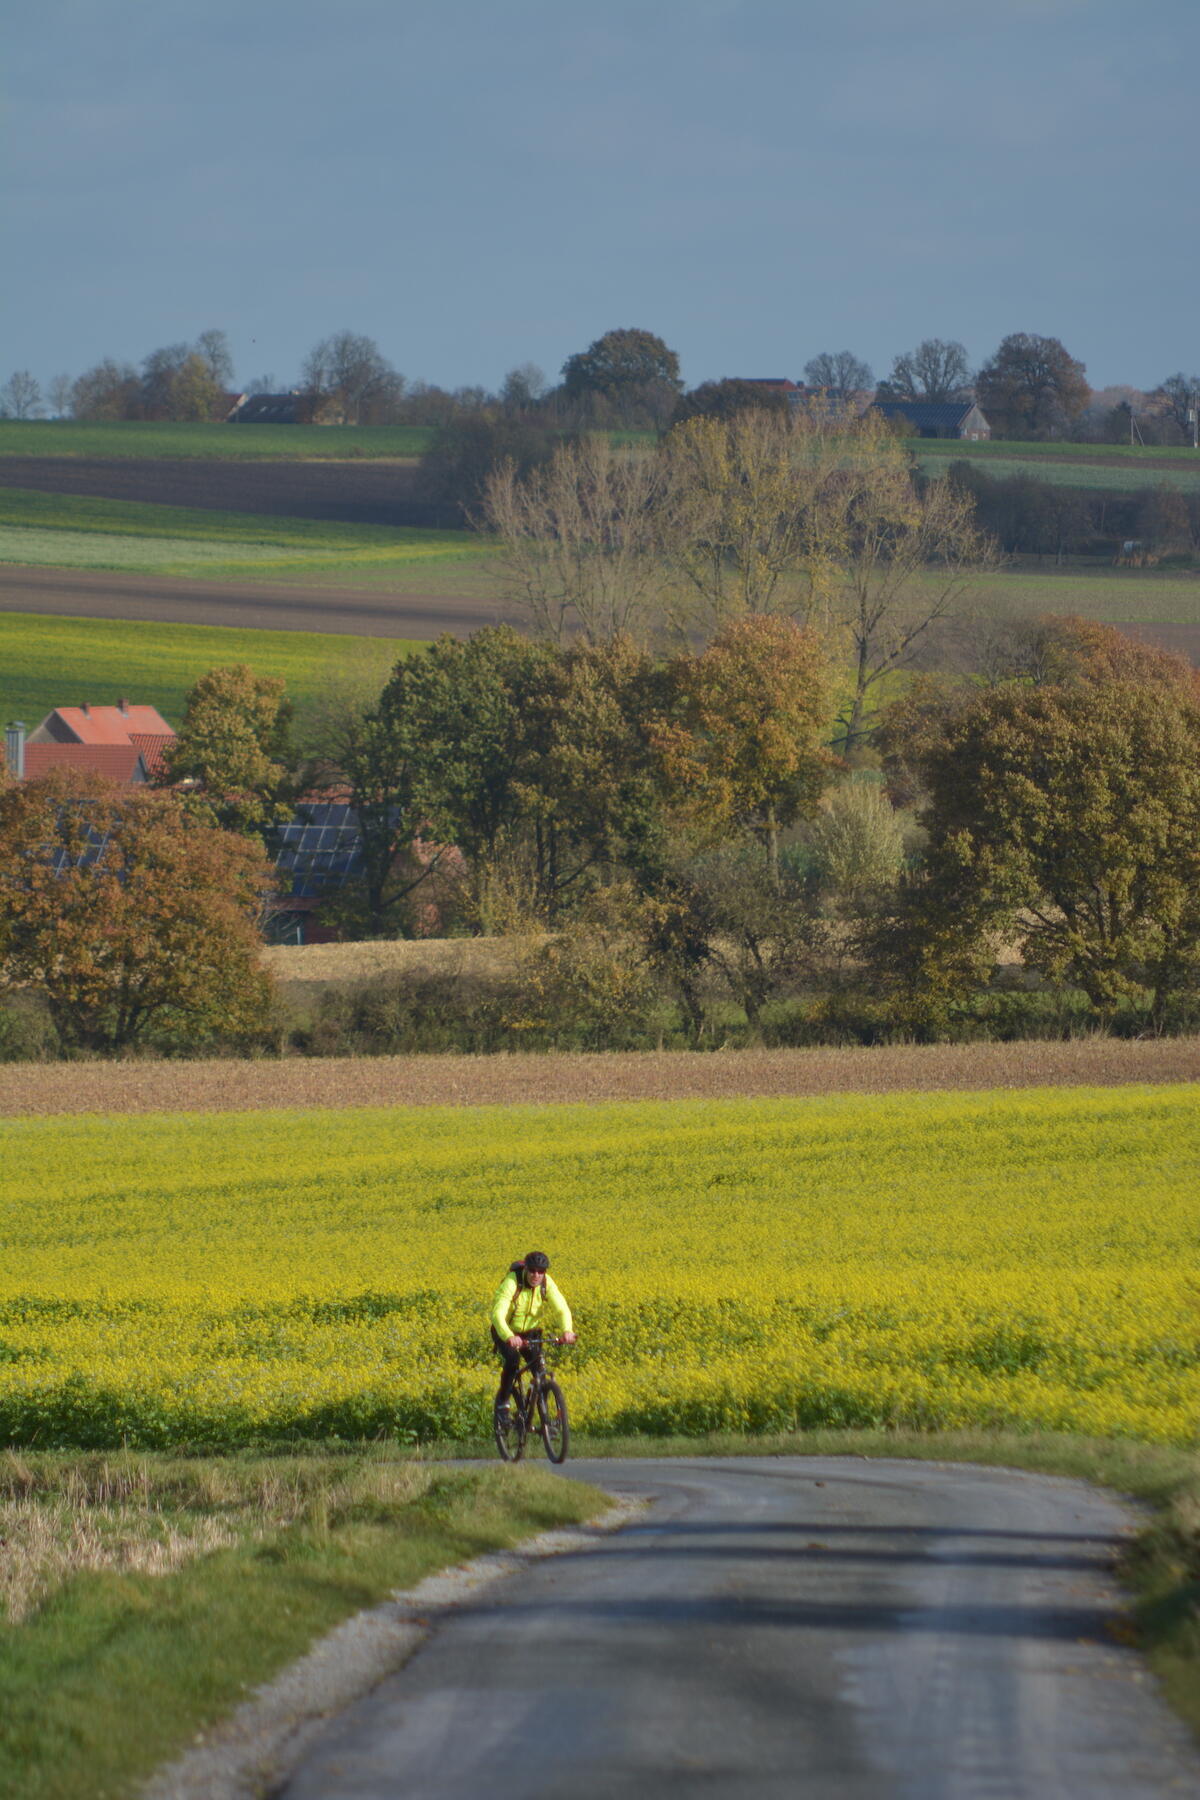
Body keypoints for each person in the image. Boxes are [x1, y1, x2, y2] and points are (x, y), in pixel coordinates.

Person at [490, 1250, 576, 1420]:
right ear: (526, 1269)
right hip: (506, 1330)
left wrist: (567, 1330)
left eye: (541, 1271)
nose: (536, 1275)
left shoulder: (546, 1284)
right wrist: (509, 1336)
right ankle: (503, 1403)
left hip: (530, 1332)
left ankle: (545, 1420)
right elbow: (498, 1314)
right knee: (513, 1361)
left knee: (539, 1370)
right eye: (532, 1270)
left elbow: (561, 1308)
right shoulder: (512, 1282)